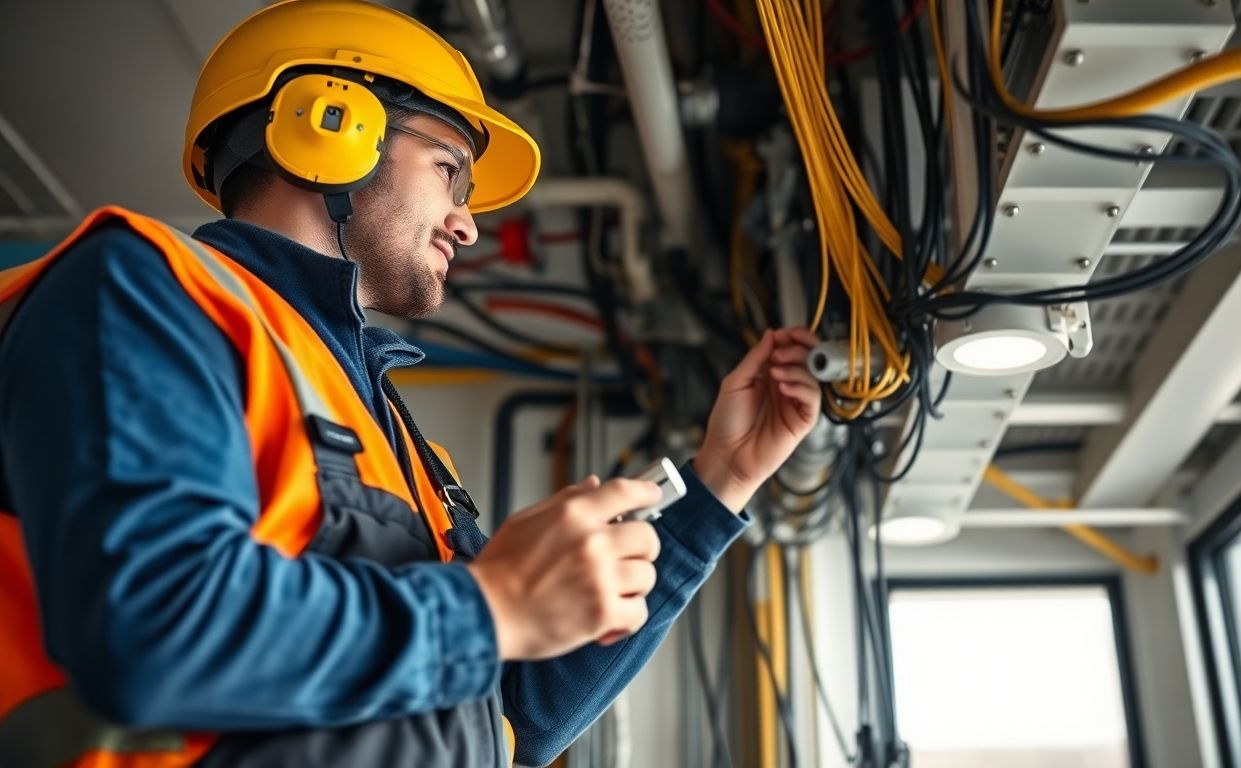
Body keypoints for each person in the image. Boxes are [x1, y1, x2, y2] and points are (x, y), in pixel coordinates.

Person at [0, 1, 821, 766]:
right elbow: (151, 630)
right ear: (331, 128)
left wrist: (722, 483)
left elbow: (514, 717)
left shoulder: (388, 432)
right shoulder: (142, 291)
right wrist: (491, 604)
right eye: (447, 169)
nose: (468, 220)